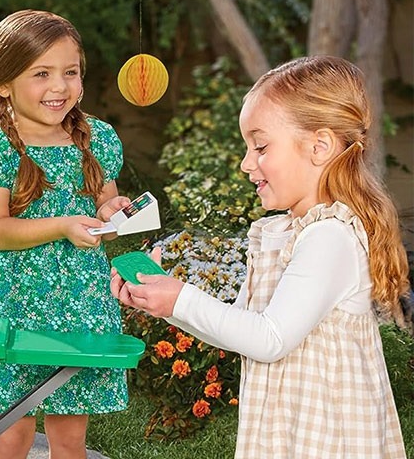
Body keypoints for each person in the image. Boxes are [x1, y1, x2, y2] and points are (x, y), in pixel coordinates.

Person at [112, 56, 409, 458]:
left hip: (325, 440)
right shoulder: (289, 231)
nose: (246, 163)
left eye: (261, 146)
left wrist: (180, 297)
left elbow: (270, 339)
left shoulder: (329, 236)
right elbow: (243, 331)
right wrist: (166, 304)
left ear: (319, 146)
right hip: (291, 431)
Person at [0, 10, 132, 459]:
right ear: (2, 84)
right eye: (42, 74)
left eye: (70, 72)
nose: (60, 87)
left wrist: (112, 212)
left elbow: (103, 206)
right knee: (11, 434)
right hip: (13, 304)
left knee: (69, 436)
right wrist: (62, 225)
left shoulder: (96, 138)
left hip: (78, 302)